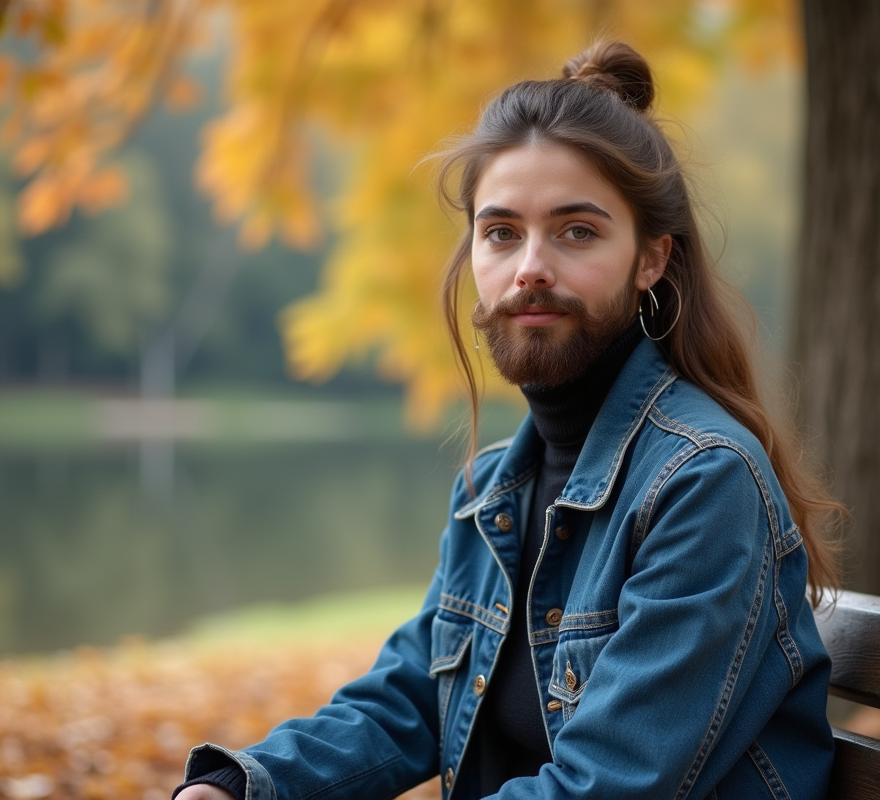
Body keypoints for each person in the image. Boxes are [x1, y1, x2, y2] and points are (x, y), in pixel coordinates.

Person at [173, 40, 840, 800]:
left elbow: (608, 785)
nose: (530, 268)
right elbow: (408, 699)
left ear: (651, 260)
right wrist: (239, 786)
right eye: (501, 232)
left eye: (577, 231)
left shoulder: (704, 482)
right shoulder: (493, 488)